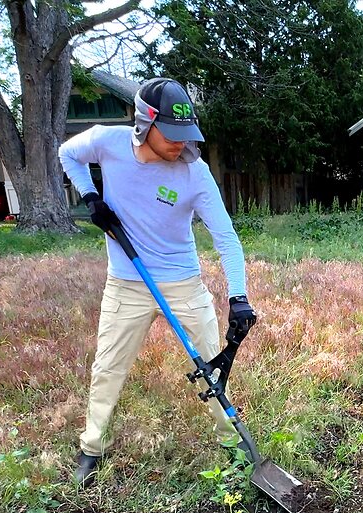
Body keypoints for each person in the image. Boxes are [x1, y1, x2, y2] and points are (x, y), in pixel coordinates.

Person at [58, 77, 256, 484]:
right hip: (127, 283)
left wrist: (239, 297)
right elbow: (67, 154)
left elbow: (227, 239)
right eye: (172, 134)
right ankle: (91, 447)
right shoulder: (106, 143)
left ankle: (231, 442)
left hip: (183, 283)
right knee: (108, 367)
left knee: (212, 368)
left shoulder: (195, 172)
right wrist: (90, 197)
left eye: (187, 136)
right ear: (145, 123)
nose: (180, 145)